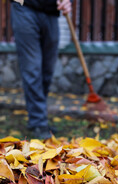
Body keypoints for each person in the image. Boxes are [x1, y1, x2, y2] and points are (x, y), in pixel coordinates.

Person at [11, 0, 72, 139]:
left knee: (47, 70)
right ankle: (38, 122)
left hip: (51, 12)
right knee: (32, 69)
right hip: (24, 7)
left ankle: (37, 118)